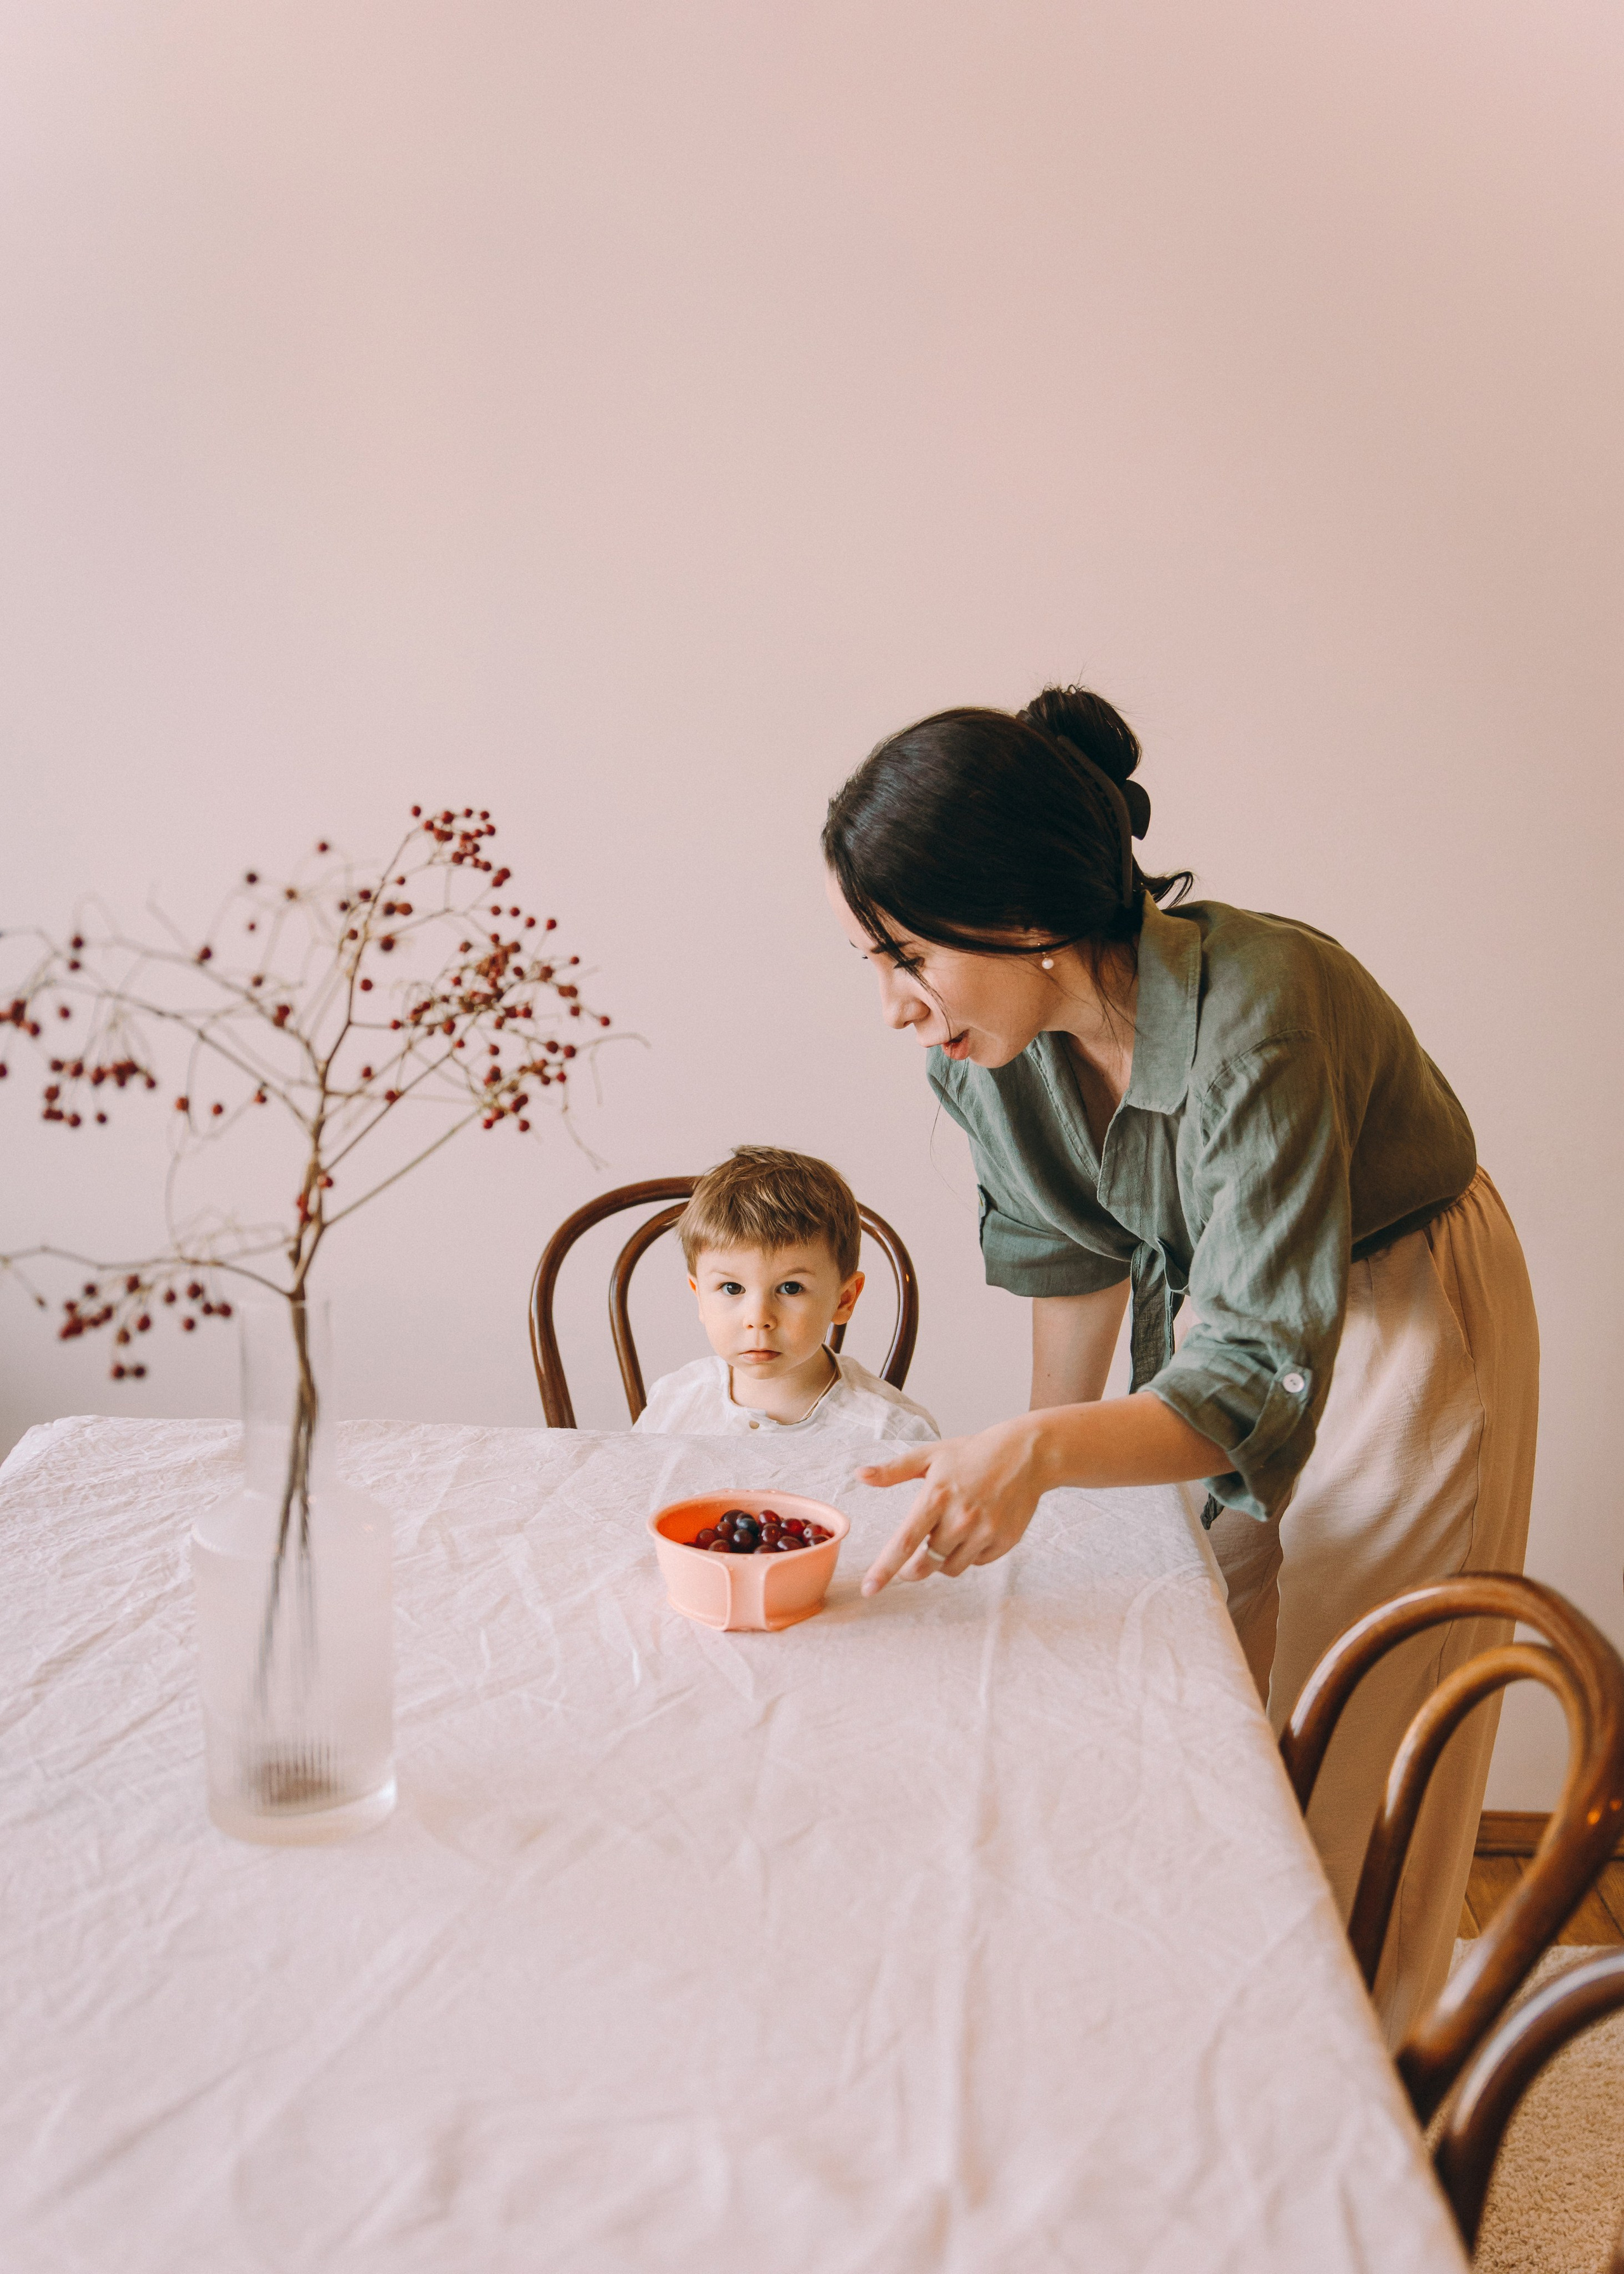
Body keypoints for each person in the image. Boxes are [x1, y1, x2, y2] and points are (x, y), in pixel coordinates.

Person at [821, 683, 1538, 2044]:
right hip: (1219, 1322)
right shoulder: (987, 1046)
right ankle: (1199, 2031)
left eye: (907, 954)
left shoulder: (1260, 1004)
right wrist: (1047, 1479)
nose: (892, 1006)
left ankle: (1356, 2110)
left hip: (1395, 1303)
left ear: (1025, 920)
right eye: (872, 957)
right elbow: (1064, 1252)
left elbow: (1255, 1366)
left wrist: (1037, 1457)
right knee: (1179, 1656)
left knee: (1361, 1731)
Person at [634, 1145, 939, 1443]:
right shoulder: (675, 1403)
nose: (758, 1319)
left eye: (791, 1288)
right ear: (699, 1296)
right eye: (732, 1288)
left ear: (844, 1299)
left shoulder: (891, 1434)